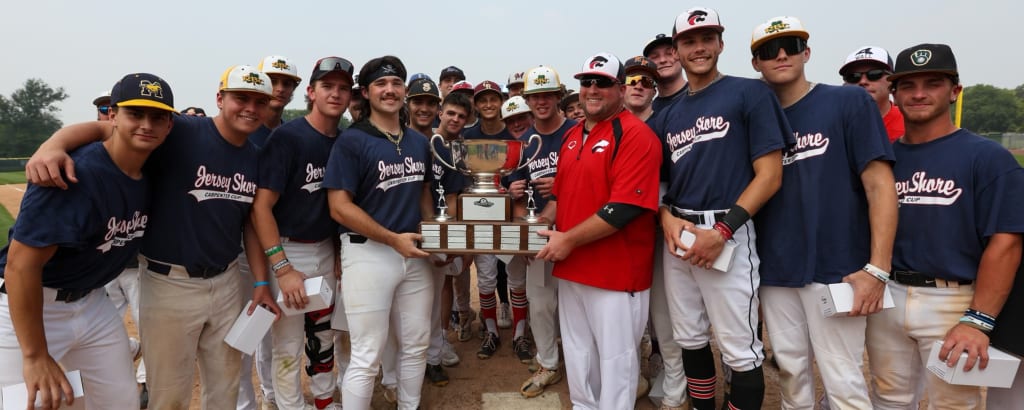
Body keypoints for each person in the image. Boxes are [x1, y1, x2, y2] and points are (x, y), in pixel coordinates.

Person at [24, 65, 282, 409]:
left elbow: (249, 220)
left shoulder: (255, 156)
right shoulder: (182, 131)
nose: (250, 107)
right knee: (169, 394)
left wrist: (261, 283)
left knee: (226, 385)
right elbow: (104, 129)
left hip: (227, 282)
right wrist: (53, 143)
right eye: (241, 98)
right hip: (169, 284)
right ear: (220, 99)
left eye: (259, 101)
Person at [0, 73, 175, 410]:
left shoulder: (156, 163)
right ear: (113, 115)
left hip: (93, 304)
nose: (146, 124)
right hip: (27, 305)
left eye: (157, 116)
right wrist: (35, 355)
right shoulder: (71, 173)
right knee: (26, 403)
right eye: (135, 114)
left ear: (170, 125)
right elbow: (20, 266)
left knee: (120, 400)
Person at [865, 43, 1024, 409]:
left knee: (953, 404)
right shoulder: (883, 158)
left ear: (955, 91)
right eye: (908, 85)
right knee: (887, 398)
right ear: (894, 92)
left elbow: (1006, 243)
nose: (919, 93)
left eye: (933, 83)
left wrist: (977, 320)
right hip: (888, 294)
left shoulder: (988, 157)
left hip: (954, 298)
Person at [749, 16, 897, 409]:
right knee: (790, 374)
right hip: (777, 268)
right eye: (768, 50)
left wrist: (877, 269)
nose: (781, 54)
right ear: (755, 63)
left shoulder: (846, 101)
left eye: (792, 46)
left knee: (842, 378)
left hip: (838, 268)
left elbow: (880, 186)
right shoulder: (754, 116)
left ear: (807, 53)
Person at [651, 8, 792, 410]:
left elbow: (770, 175)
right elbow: (660, 184)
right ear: (676, 51)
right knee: (689, 338)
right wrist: (665, 218)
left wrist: (724, 232)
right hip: (679, 231)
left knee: (739, 349)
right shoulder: (668, 115)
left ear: (720, 44)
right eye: (689, 41)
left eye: (706, 38)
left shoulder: (749, 92)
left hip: (726, 229)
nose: (699, 47)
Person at [535, 52, 660, 409]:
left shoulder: (636, 134)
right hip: (573, 266)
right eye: (586, 82)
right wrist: (538, 226)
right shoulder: (573, 134)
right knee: (577, 353)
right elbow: (560, 196)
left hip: (616, 272)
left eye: (602, 82)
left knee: (616, 362)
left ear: (620, 89)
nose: (592, 89)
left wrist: (568, 239)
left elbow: (624, 207)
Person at [324, 55, 435, 410]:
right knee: (367, 353)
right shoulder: (352, 141)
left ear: (404, 89)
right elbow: (339, 206)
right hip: (368, 252)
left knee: (416, 344)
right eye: (381, 85)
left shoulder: (417, 142)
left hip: (414, 254)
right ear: (367, 93)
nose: (390, 90)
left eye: (396, 83)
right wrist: (391, 239)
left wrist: (434, 234)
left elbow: (422, 191)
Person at [251, 56, 354, 410]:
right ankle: (291, 406)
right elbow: (260, 207)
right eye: (327, 86)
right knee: (288, 344)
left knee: (323, 335)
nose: (335, 94)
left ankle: (325, 400)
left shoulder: (345, 141)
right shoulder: (287, 138)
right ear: (310, 92)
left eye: (343, 88)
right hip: (288, 248)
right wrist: (282, 267)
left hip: (326, 247)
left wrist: (340, 254)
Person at [233, 54, 306, 410]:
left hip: (276, 240)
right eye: (272, 80)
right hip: (238, 243)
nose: (279, 88)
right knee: (247, 330)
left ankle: (273, 395)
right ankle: (252, 400)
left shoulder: (289, 133)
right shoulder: (243, 127)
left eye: (287, 82)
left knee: (270, 324)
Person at [508, 64, 577, 399]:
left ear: (558, 96)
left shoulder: (579, 132)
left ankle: (581, 361)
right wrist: (524, 225)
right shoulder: (522, 143)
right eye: (535, 96)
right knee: (540, 303)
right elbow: (515, 193)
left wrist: (563, 184)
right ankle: (548, 361)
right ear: (527, 99)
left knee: (580, 302)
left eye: (547, 94)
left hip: (578, 231)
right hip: (539, 231)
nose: (541, 101)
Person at [839, 46, 904, 142]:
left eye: (874, 74)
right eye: (853, 76)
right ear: (844, 85)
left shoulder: (910, 120)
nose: (863, 81)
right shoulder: (831, 124)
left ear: (891, 82)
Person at [644, 33, 686, 113]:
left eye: (669, 54)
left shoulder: (700, 95)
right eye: (655, 57)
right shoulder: (649, 112)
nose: (662, 60)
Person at [623, 56, 658, 121]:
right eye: (632, 80)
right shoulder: (606, 123)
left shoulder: (665, 125)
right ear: (622, 88)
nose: (638, 87)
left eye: (646, 82)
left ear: (654, 92)